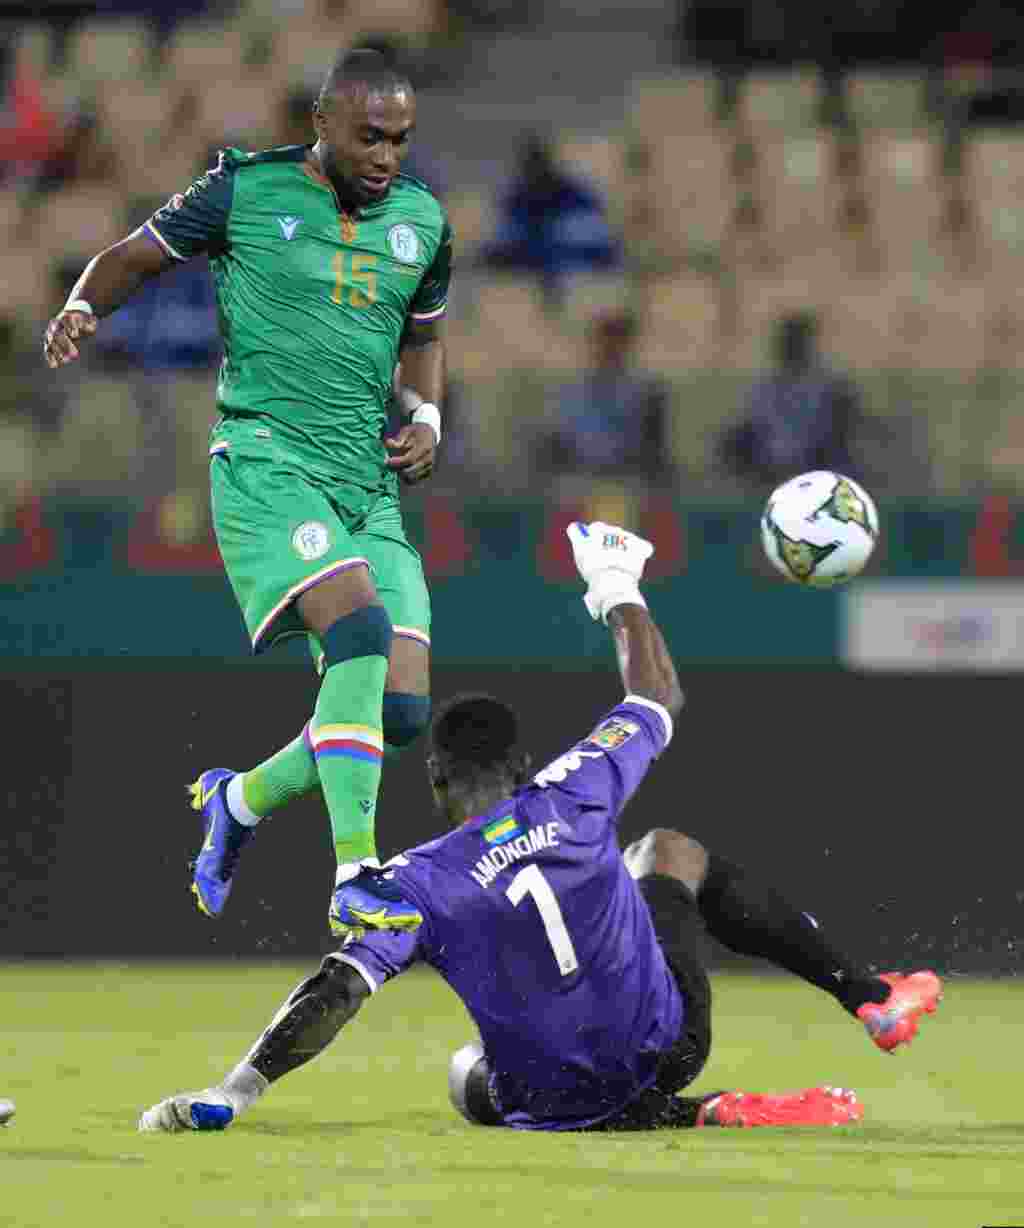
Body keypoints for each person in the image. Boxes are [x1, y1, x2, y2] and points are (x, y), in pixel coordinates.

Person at [139, 521, 942, 1135]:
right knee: (667, 851)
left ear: (436, 782)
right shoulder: (574, 788)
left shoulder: (416, 880)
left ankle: (696, 1112)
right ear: (521, 769)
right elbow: (657, 696)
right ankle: (866, 995)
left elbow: (337, 990)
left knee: (464, 1078)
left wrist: (235, 1088)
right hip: (666, 1045)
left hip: (544, 1096)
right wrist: (615, 579)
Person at [42, 49, 453, 938]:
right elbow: (133, 254)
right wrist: (83, 305)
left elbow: (423, 335)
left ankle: (240, 802)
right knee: (358, 626)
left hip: (365, 482)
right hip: (269, 463)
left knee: (401, 708)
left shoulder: (424, 220)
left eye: (401, 139)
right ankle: (356, 872)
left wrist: (426, 415)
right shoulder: (247, 191)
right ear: (324, 125)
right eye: (371, 137)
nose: (388, 156)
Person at [717, 312, 864, 490]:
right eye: (788, 341)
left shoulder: (832, 388)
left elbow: (840, 438)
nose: (791, 347)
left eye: (796, 341)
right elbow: (748, 434)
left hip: (817, 472)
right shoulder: (765, 388)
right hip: (769, 472)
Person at [481, 132, 620, 310]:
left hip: (577, 272)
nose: (535, 172)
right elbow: (501, 243)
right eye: (531, 165)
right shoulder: (517, 201)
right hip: (534, 269)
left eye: (538, 164)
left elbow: (598, 238)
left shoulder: (574, 196)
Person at [535, 310, 669, 482]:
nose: (611, 348)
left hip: (630, 482)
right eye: (606, 340)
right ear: (595, 343)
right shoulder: (569, 392)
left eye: (618, 341)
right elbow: (553, 448)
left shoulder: (648, 393)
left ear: (628, 345)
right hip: (579, 481)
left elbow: (656, 456)